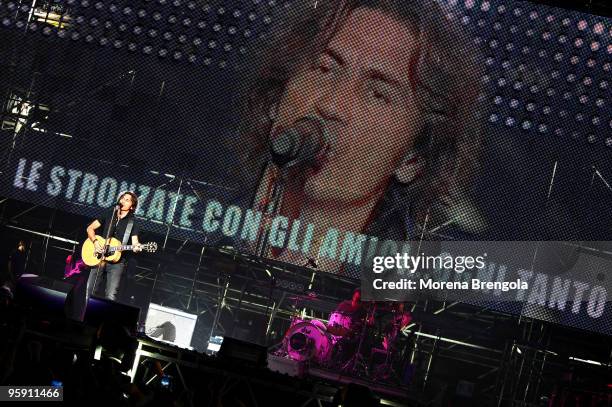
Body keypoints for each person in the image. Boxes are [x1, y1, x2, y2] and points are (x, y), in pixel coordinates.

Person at [234, 0, 486, 274]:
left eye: (377, 94)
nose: (332, 105)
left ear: (413, 159)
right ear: (277, 97)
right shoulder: (186, 229)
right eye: (324, 69)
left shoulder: (422, 297)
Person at [65, 191, 142, 321]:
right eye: (123, 198)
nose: (123, 200)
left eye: (127, 200)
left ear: (132, 206)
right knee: (89, 292)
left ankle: (102, 323)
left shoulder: (133, 223)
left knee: (111, 295)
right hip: (98, 257)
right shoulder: (110, 213)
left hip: (117, 262)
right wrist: (95, 242)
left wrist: (138, 247)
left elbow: (135, 243)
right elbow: (90, 228)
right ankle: (83, 320)